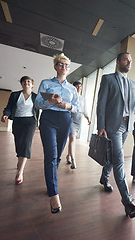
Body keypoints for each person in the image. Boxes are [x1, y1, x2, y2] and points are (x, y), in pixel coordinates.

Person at [96, 52, 135, 218]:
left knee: (112, 157)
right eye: (126, 59)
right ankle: (128, 202)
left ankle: (104, 178)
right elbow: (101, 103)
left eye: (131, 60)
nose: (129, 62)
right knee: (119, 160)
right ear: (118, 62)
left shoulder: (133, 84)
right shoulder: (108, 79)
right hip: (112, 126)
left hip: (126, 126)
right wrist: (101, 125)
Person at [34, 53, 79, 214]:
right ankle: (54, 195)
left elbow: (77, 108)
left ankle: (50, 181)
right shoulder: (46, 83)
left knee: (58, 156)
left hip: (65, 120)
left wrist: (68, 106)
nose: (64, 67)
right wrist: (50, 101)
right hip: (48, 120)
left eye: (66, 65)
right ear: (55, 66)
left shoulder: (72, 88)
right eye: (60, 64)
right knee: (51, 156)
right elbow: (38, 104)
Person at [1, 76, 39, 185]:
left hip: (30, 122)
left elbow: (43, 106)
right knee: (19, 143)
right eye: (24, 81)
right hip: (17, 121)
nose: (26, 83)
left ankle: (20, 172)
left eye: (29, 81)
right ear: (21, 84)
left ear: (32, 84)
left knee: (26, 144)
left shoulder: (36, 96)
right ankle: (19, 158)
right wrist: (5, 115)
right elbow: (9, 107)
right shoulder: (15, 95)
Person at [65, 81, 91, 169]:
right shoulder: (70, 97)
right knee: (72, 138)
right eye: (77, 86)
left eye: (80, 86)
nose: (79, 88)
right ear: (74, 87)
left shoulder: (82, 98)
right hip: (70, 118)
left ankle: (68, 155)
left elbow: (85, 110)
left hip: (78, 119)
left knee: (72, 138)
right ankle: (73, 160)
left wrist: (88, 118)